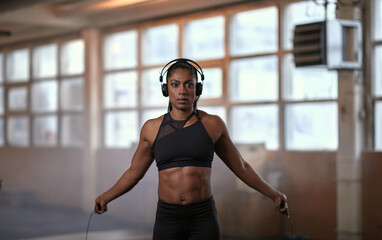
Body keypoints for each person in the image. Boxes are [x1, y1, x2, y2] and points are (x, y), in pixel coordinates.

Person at [94, 58, 288, 240]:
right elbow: (134, 173)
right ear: (166, 89)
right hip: (167, 218)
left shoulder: (213, 125)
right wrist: (106, 196)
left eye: (189, 84)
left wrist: (273, 194)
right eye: (175, 84)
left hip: (203, 218)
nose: (182, 91)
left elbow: (241, 167)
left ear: (198, 88)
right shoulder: (151, 129)